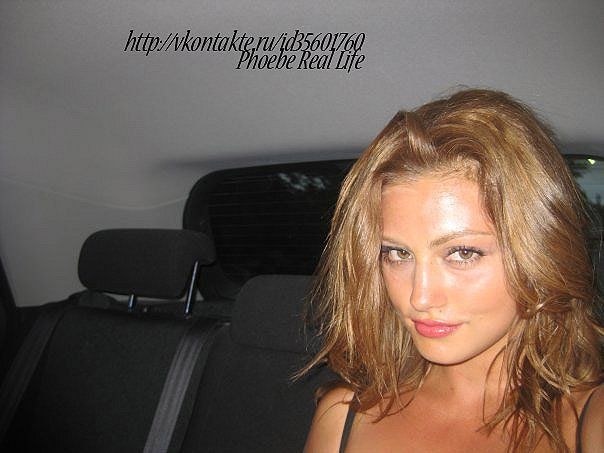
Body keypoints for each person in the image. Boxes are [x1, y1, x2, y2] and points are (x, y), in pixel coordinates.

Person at [301, 89, 603, 452]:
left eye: (462, 253)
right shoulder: (343, 416)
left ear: (542, 253)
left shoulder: (588, 420)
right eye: (397, 253)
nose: (420, 297)